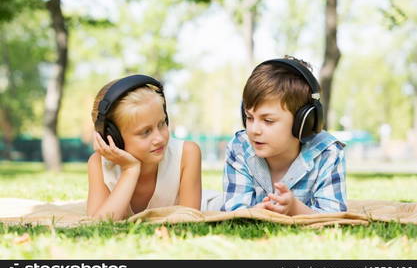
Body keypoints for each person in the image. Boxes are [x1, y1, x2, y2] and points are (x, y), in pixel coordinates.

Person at [221, 56, 347, 215]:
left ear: (304, 123)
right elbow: (233, 211)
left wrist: (295, 209)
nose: (254, 130)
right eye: (249, 117)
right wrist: (255, 212)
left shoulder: (328, 152)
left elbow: (334, 216)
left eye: (268, 120)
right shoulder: (240, 147)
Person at [87, 74, 201, 220]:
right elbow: (99, 223)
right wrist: (130, 170)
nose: (159, 138)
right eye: (145, 132)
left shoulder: (187, 154)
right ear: (113, 137)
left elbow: (189, 218)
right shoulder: (99, 164)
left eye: (162, 123)